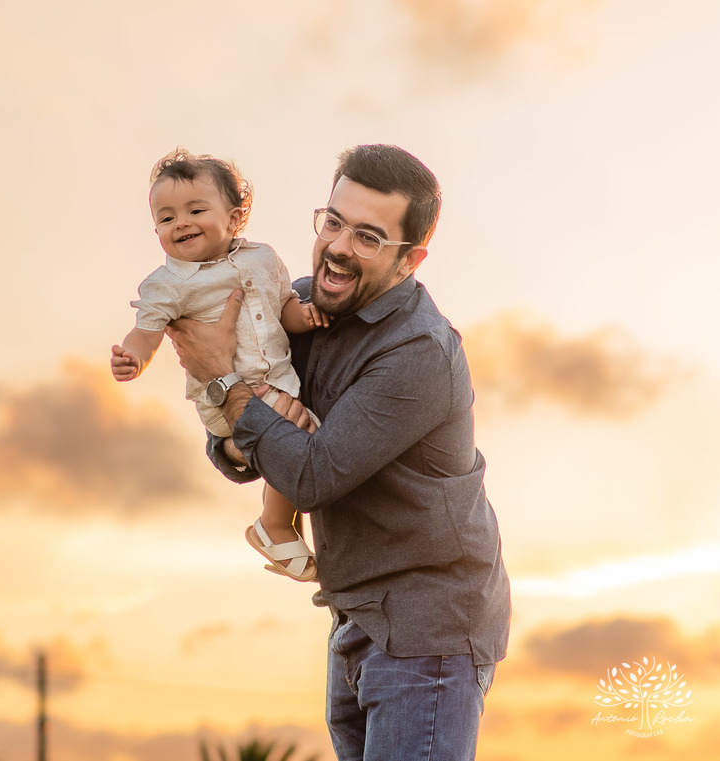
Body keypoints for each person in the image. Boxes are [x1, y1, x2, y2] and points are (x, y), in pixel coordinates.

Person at [165, 144, 511, 761]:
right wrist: (238, 415)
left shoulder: (419, 352)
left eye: (370, 236)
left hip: (427, 629)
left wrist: (223, 378)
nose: (340, 247)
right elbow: (235, 452)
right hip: (354, 615)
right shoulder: (297, 307)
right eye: (334, 222)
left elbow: (312, 474)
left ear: (411, 259)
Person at [111, 149, 331, 581]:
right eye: (167, 217)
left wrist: (303, 317)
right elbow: (148, 330)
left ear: (234, 219)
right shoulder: (167, 285)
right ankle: (273, 525)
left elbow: (282, 304)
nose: (181, 223)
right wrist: (133, 355)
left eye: (196, 210)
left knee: (302, 440)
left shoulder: (264, 259)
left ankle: (280, 522)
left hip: (276, 381)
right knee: (297, 435)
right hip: (225, 393)